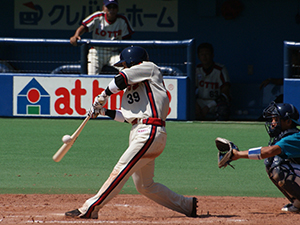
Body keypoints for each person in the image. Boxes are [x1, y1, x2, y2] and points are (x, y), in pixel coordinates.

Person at [65, 46, 198, 219]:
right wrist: (103, 111)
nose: (124, 68)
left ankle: (89, 209)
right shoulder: (133, 90)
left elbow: (121, 79)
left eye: (126, 64)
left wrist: (104, 94)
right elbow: (127, 117)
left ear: (133, 62)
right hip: (140, 131)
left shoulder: (149, 68)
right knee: (144, 185)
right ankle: (187, 205)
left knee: (120, 169)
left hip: (150, 131)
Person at [230, 101, 300, 212]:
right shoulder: (288, 136)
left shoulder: (295, 137)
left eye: (276, 119)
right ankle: (298, 203)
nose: (272, 123)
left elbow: (268, 151)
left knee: (279, 168)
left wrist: (238, 154)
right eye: (272, 119)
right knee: (271, 162)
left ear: (288, 121)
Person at [70, 0, 134, 75]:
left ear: (117, 9)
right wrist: (76, 35)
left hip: (113, 53)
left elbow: (127, 39)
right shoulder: (98, 17)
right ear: (104, 8)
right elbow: (83, 26)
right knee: (91, 75)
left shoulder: (122, 20)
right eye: (109, 7)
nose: (112, 10)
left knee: (127, 69)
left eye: (114, 7)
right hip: (97, 52)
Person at [195, 43, 231, 121]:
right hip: (200, 101)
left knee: (223, 108)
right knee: (188, 105)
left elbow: (225, 94)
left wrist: (208, 106)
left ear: (212, 55)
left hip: (215, 102)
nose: (204, 57)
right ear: (198, 56)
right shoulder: (197, 69)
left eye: (207, 54)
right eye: (202, 54)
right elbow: (190, 91)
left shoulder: (220, 69)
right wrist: (195, 103)